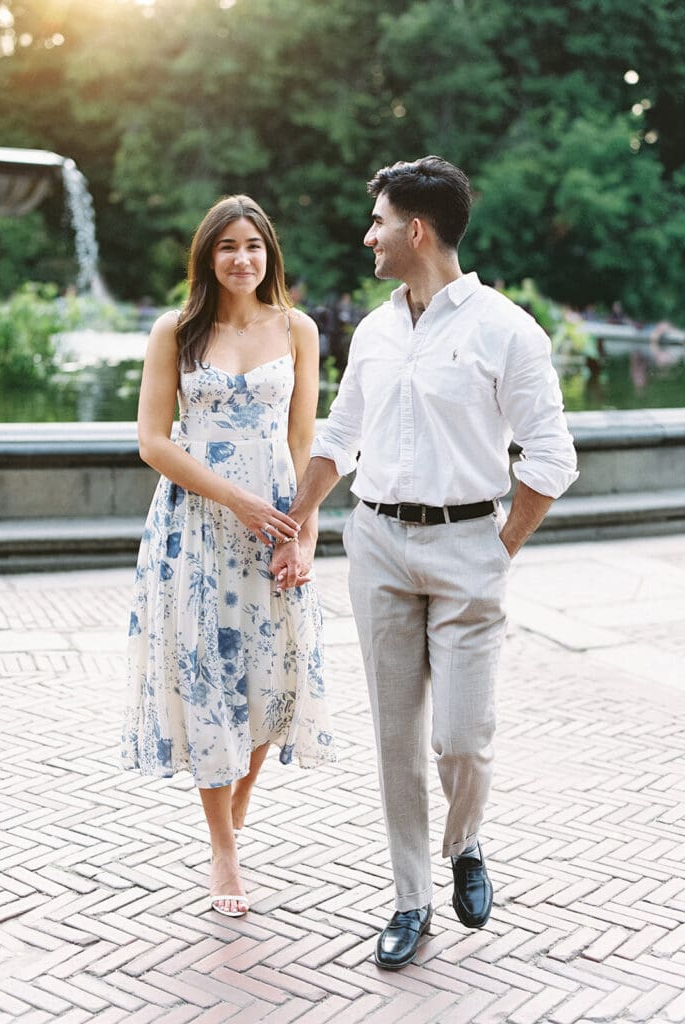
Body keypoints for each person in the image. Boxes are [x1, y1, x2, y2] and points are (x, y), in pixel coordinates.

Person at [270, 156, 578, 968]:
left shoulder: (506, 330)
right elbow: (339, 436)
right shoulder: (374, 329)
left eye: (377, 222)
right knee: (396, 740)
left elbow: (551, 456)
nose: (366, 235)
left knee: (462, 742)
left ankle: (465, 840)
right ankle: (411, 901)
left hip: (467, 546)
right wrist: (298, 515)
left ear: (416, 230)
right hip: (376, 544)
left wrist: (498, 546)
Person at [122, 195, 335, 918]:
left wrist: (303, 533)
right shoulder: (175, 332)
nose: (242, 258)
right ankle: (223, 849)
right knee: (207, 678)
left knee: (268, 687)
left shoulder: (298, 329)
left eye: (254, 245)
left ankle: (234, 818)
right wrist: (236, 501)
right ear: (206, 257)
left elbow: (305, 443)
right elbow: (153, 442)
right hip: (197, 529)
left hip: (276, 523)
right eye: (227, 247)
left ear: (269, 253)